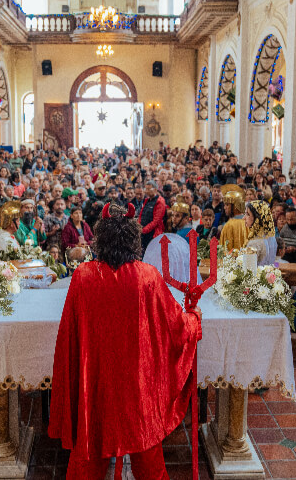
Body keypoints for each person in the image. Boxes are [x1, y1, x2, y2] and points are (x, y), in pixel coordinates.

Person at [49, 203, 202, 479]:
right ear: (134, 239)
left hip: (96, 384)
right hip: (137, 388)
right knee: (148, 456)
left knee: (90, 449)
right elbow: (174, 328)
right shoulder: (147, 277)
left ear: (100, 238)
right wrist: (193, 318)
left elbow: (69, 337)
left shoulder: (82, 276)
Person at [244, 200, 278, 266]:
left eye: (248, 214)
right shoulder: (271, 237)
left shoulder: (254, 243)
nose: (244, 218)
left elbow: (248, 270)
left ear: (257, 218)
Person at [219, 184, 249, 251]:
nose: (224, 208)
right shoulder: (249, 222)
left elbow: (224, 251)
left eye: (227, 205)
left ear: (235, 206)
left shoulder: (229, 225)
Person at [139, 181, 166, 249]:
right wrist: (138, 226)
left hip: (153, 234)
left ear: (155, 190)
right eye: (146, 189)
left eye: (149, 189)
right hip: (143, 233)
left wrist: (143, 230)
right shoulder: (146, 200)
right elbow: (141, 214)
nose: (147, 191)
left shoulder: (160, 201)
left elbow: (156, 221)